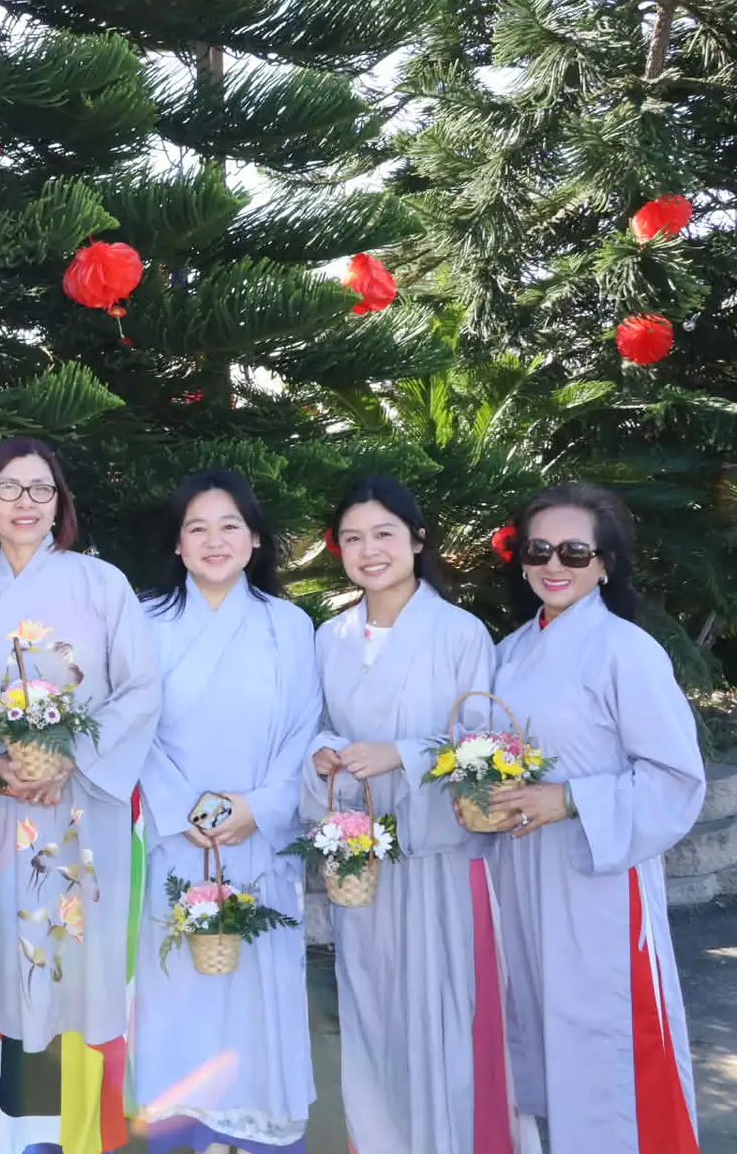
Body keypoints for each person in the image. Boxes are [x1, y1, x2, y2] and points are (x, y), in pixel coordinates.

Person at [306, 476, 537, 1154]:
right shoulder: (329, 636)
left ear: (417, 540)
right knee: (373, 1011)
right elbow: (309, 725)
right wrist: (321, 753)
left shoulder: (461, 633)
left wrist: (402, 754)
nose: (369, 550)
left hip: (443, 858)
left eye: (384, 534)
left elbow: (485, 744)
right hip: (361, 860)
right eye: (353, 538)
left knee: (449, 1015)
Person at [0, 437, 160, 1154]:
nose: (25, 503)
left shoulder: (102, 584)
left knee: (86, 969)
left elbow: (141, 688)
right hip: (6, 810)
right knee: (22, 968)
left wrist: (70, 757)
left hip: (85, 811)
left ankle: (90, 1134)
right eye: (8, 488)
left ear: (59, 503)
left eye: (41, 489)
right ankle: (29, 1135)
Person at [485, 482, 705, 1152]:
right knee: (542, 1039)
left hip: (599, 878)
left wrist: (570, 798)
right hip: (523, 872)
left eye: (575, 552)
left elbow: (675, 777)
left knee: (608, 1044)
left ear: (605, 563)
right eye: (539, 550)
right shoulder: (509, 651)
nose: (554, 565)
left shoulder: (625, 651)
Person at [132, 469, 317, 1154]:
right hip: (175, 836)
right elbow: (133, 728)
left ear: (255, 539)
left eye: (229, 526)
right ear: (177, 544)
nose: (214, 541)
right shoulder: (144, 622)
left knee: (255, 989)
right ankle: (181, 1126)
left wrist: (257, 807)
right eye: (197, 528)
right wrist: (183, 810)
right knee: (176, 987)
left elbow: (305, 728)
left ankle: (252, 1127)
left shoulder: (289, 625)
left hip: (257, 837)